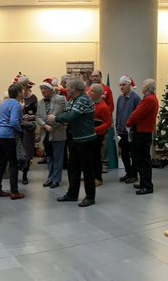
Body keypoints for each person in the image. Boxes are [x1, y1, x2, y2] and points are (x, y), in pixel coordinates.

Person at [49, 78, 97, 207]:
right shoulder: (73, 100)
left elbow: (70, 117)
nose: (65, 88)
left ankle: (90, 197)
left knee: (87, 170)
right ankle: (72, 194)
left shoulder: (83, 100)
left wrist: (55, 118)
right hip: (76, 139)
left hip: (86, 140)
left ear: (74, 89)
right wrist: (62, 119)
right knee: (73, 169)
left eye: (67, 87)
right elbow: (68, 115)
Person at [0, 83, 25, 200]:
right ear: (19, 92)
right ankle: (14, 192)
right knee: (13, 163)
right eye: (22, 90)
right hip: (7, 136)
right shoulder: (16, 104)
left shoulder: (4, 103)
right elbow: (14, 122)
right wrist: (21, 131)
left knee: (1, 163)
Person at [126, 78, 159, 195]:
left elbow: (136, 114)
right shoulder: (152, 98)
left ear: (147, 88)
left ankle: (147, 186)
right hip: (145, 133)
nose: (142, 86)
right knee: (142, 160)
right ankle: (144, 183)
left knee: (143, 161)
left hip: (142, 134)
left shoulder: (148, 100)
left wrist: (128, 122)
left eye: (144, 85)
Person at [37, 81, 68, 189]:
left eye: (45, 88)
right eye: (41, 89)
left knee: (58, 158)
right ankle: (50, 178)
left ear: (51, 89)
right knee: (49, 157)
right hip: (46, 133)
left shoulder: (60, 99)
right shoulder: (40, 102)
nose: (43, 91)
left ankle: (56, 180)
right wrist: (45, 126)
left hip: (58, 132)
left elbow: (66, 115)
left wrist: (55, 124)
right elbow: (37, 117)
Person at [115, 76, 142, 184]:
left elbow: (138, 115)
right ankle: (128, 173)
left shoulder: (136, 98)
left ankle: (134, 175)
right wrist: (117, 127)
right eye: (120, 85)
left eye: (124, 84)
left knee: (133, 155)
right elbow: (118, 114)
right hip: (121, 132)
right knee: (124, 154)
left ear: (129, 85)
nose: (121, 87)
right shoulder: (120, 98)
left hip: (131, 132)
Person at [16, 75, 37, 185]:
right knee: (18, 149)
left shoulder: (33, 98)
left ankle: (25, 174)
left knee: (27, 150)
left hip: (29, 126)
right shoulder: (17, 97)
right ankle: (17, 171)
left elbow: (36, 114)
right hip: (18, 126)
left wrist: (31, 117)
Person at [90, 84, 113, 187]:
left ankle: (98, 178)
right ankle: (91, 175)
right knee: (90, 156)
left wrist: (96, 129)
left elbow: (108, 123)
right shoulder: (91, 103)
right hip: (91, 133)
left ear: (98, 94)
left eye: (92, 92)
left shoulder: (103, 107)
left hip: (98, 135)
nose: (89, 93)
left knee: (96, 157)